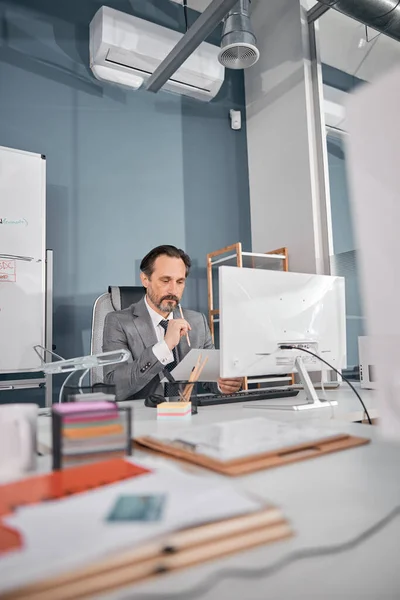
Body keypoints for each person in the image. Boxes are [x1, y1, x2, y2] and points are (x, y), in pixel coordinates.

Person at [103, 245, 242, 401]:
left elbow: (208, 377)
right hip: (144, 419)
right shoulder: (118, 322)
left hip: (189, 417)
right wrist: (165, 347)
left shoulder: (197, 322)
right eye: (165, 280)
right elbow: (113, 387)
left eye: (180, 282)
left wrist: (222, 384)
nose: (173, 290)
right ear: (145, 280)